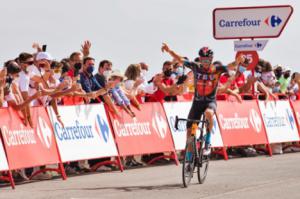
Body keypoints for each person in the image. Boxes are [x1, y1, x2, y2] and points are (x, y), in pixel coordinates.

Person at [161, 43, 243, 156]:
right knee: (190, 132)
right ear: (200, 59)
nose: (205, 62)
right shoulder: (195, 66)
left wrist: (238, 61)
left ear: (211, 59)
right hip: (197, 102)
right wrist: (169, 50)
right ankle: (189, 158)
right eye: (203, 60)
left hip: (210, 101)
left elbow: (231, 65)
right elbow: (179, 58)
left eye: (207, 60)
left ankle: (208, 141)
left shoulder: (217, 69)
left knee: (209, 113)